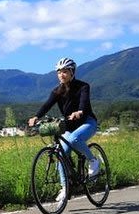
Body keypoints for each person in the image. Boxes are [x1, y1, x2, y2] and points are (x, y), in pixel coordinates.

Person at [28, 57, 100, 204]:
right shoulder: (57, 91)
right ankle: (65, 187)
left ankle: (93, 161)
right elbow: (47, 105)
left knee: (74, 139)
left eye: (65, 71)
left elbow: (84, 103)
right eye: (59, 72)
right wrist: (36, 116)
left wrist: (79, 112)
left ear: (72, 72)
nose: (62, 75)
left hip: (87, 122)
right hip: (69, 126)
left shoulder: (83, 86)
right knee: (61, 153)